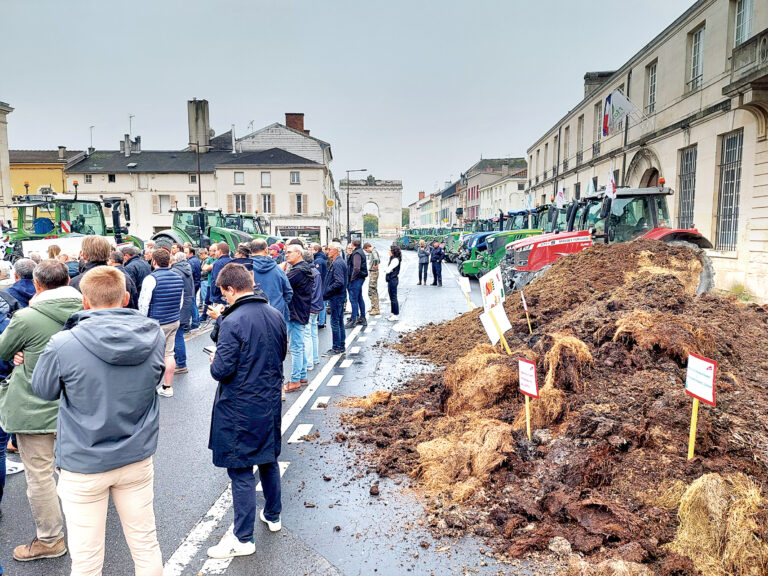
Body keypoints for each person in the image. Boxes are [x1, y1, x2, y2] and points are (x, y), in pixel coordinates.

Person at [30, 266, 165, 576]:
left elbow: (43, 390)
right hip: (136, 455)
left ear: (85, 302)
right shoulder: (153, 334)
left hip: (83, 461)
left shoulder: (64, 343)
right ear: (126, 298)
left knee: (87, 558)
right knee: (145, 543)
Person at [0, 260, 83, 562]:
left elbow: (1, 352)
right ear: (68, 280)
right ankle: (86, 533)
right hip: (79, 406)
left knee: (40, 476)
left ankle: (50, 539)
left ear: (37, 285)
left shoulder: (26, 318)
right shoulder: (89, 309)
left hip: (34, 406)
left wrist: (18, 354)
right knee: (79, 473)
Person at [207, 263, 287, 559]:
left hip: (239, 405)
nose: (224, 299)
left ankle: (243, 538)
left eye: (223, 293)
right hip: (268, 399)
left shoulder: (232, 320)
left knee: (240, 469)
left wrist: (215, 358)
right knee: (268, 459)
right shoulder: (275, 314)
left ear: (230, 289)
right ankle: (274, 515)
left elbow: (221, 370)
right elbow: (281, 352)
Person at [139, 248, 184, 398]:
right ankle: (167, 387)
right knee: (169, 354)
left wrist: (143, 320)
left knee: (150, 355)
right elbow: (180, 301)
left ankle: (148, 388)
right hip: (173, 320)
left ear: (154, 261)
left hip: (156, 322)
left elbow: (144, 303)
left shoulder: (151, 279)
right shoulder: (178, 277)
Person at [71, 237, 139, 310]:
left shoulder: (75, 283)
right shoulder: (123, 279)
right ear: (109, 254)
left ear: (84, 255)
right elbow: (133, 309)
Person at [283, 245, 314, 393]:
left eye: (289, 253)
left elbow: (282, 283)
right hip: (301, 310)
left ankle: (295, 380)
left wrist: (280, 270)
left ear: (299, 253)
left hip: (295, 311)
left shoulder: (297, 272)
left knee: (295, 347)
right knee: (299, 346)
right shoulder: (304, 269)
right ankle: (302, 376)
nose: (286, 255)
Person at [250, 239, 293, 322]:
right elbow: (288, 292)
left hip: (252, 314)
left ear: (251, 250)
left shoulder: (244, 269)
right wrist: (280, 305)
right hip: (276, 312)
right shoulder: (278, 269)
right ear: (266, 250)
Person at [171, 251, 194, 375]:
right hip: (186, 304)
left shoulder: (176, 272)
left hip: (180, 306)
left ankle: (181, 364)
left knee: (177, 336)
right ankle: (179, 362)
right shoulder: (186, 269)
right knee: (178, 335)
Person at [323, 242, 348, 356]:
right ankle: (341, 346)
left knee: (335, 322)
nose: (328, 251)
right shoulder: (338, 261)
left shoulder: (337, 263)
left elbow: (339, 281)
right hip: (339, 296)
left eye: (330, 249)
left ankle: (336, 347)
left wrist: (328, 290)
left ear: (336, 250)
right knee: (339, 321)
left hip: (336, 297)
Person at [303, 251, 322, 371]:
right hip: (317, 305)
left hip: (310, 305)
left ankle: (309, 362)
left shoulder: (308, 273)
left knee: (306, 334)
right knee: (313, 333)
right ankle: (315, 358)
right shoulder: (316, 271)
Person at [346, 239, 368, 328]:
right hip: (360, 278)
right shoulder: (359, 252)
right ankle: (362, 318)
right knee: (359, 298)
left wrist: (352, 278)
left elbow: (356, 268)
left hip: (357, 279)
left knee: (353, 299)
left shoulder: (357, 253)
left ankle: (354, 319)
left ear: (353, 244)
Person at [310, 243, 327, 328]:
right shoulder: (320, 258)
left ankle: (321, 321)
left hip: (321, 284)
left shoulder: (318, 261)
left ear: (316, 250)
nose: (310, 250)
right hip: (323, 283)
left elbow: (318, 274)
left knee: (322, 302)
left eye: (312, 248)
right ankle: (322, 320)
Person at [186, 246, 202, 329]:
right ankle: (196, 320)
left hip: (193, 284)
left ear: (191, 253)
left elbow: (189, 273)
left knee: (192, 303)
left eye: (186, 252)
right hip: (196, 283)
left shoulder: (191, 262)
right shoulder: (196, 260)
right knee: (193, 302)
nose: (185, 254)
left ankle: (195, 322)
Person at [363, 242, 380, 316]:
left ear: (367, 247)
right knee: (372, 290)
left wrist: (375, 265)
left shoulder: (373, 251)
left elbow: (376, 258)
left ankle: (375, 309)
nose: (367, 252)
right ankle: (374, 307)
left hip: (374, 272)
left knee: (372, 290)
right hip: (373, 272)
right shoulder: (374, 251)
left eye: (366, 250)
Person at [385, 245, 402, 321]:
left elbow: (388, 270)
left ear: (393, 251)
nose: (389, 251)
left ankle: (396, 314)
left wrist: (387, 269)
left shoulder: (395, 260)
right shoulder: (392, 259)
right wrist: (388, 269)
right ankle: (393, 313)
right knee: (391, 297)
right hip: (391, 279)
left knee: (393, 297)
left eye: (390, 250)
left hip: (393, 279)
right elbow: (388, 269)